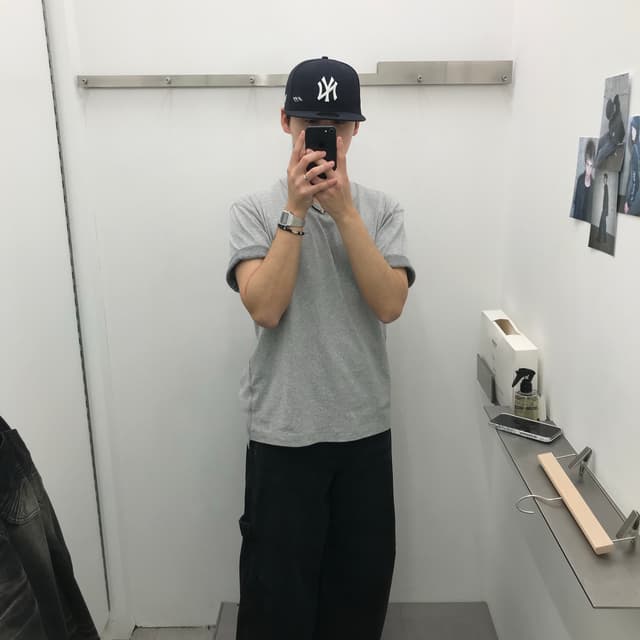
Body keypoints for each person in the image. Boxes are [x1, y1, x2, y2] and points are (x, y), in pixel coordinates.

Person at [226, 56, 415, 640]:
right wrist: (297, 210)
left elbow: (390, 304)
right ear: (286, 121)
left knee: (358, 596)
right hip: (283, 432)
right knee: (276, 602)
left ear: (353, 130)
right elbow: (266, 307)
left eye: (334, 128)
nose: (322, 139)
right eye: (310, 125)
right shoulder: (253, 210)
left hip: (362, 430)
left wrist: (346, 213)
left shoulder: (382, 211)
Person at [595, 94, 625, 169]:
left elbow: (615, 141)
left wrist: (612, 148)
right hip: (610, 134)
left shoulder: (618, 120)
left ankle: (595, 166)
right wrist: (615, 98)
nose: (610, 119)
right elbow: (617, 103)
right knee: (600, 142)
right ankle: (594, 158)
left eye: (610, 117)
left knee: (602, 152)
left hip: (615, 141)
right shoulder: (616, 109)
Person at [571, 139, 595, 221]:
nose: (589, 169)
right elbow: (576, 206)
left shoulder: (594, 185)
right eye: (587, 165)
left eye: (591, 166)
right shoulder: (580, 181)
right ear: (585, 164)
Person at [624, 116, 640, 216]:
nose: (632, 133)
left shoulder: (636, 150)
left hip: (636, 200)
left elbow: (635, 182)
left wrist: (629, 203)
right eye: (631, 129)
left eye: (634, 130)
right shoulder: (636, 148)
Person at [597, 173, 609, 243]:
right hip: (604, 209)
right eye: (603, 179)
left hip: (605, 209)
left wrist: (606, 211)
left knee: (602, 223)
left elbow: (607, 199)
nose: (604, 180)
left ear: (607, 180)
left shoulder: (606, 187)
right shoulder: (605, 187)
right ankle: (603, 239)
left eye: (605, 179)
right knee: (603, 224)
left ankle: (600, 238)